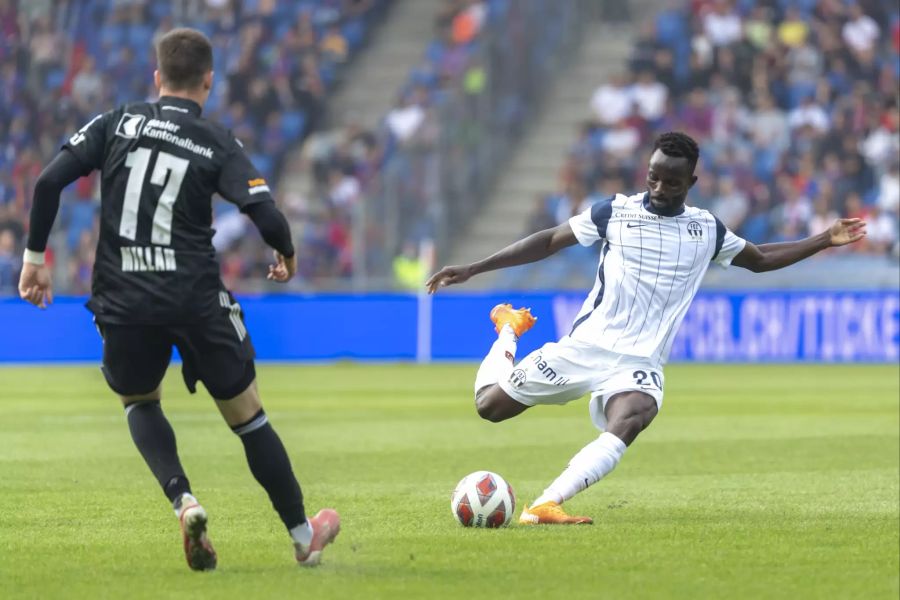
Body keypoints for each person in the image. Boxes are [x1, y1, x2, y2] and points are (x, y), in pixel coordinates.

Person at [17, 28, 339, 569]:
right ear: (209, 82)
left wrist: (33, 260)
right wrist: (285, 252)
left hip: (123, 297)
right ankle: (304, 536)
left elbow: (49, 181)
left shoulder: (119, 121)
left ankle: (182, 499)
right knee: (248, 416)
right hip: (193, 297)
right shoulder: (216, 140)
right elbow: (265, 214)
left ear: (157, 77)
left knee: (140, 401)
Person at [425, 132, 867, 525]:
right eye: (653, 177)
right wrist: (475, 267)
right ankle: (508, 329)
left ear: (691, 183)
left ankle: (546, 504)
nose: (658, 188)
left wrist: (824, 239)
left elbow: (761, 258)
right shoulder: (613, 213)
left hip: (639, 361)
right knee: (490, 407)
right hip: (585, 347)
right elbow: (548, 240)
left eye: (671, 182)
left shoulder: (705, 229)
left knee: (633, 416)